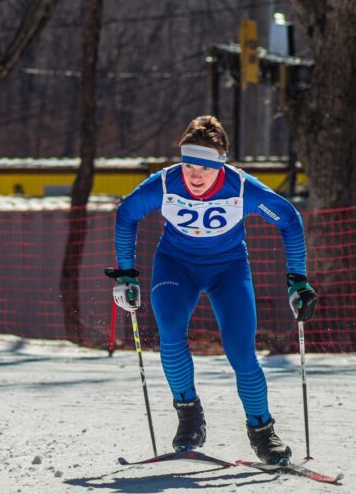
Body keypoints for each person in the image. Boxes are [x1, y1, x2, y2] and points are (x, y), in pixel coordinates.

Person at [107, 115, 317, 465]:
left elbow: (289, 220)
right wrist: (126, 273)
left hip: (228, 270)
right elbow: (127, 213)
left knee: (240, 351)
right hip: (175, 266)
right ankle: (190, 416)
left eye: (204, 167)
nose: (195, 175)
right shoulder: (164, 184)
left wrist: (297, 280)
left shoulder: (241, 188)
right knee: (171, 332)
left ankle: (262, 432)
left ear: (221, 163)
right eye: (189, 165)